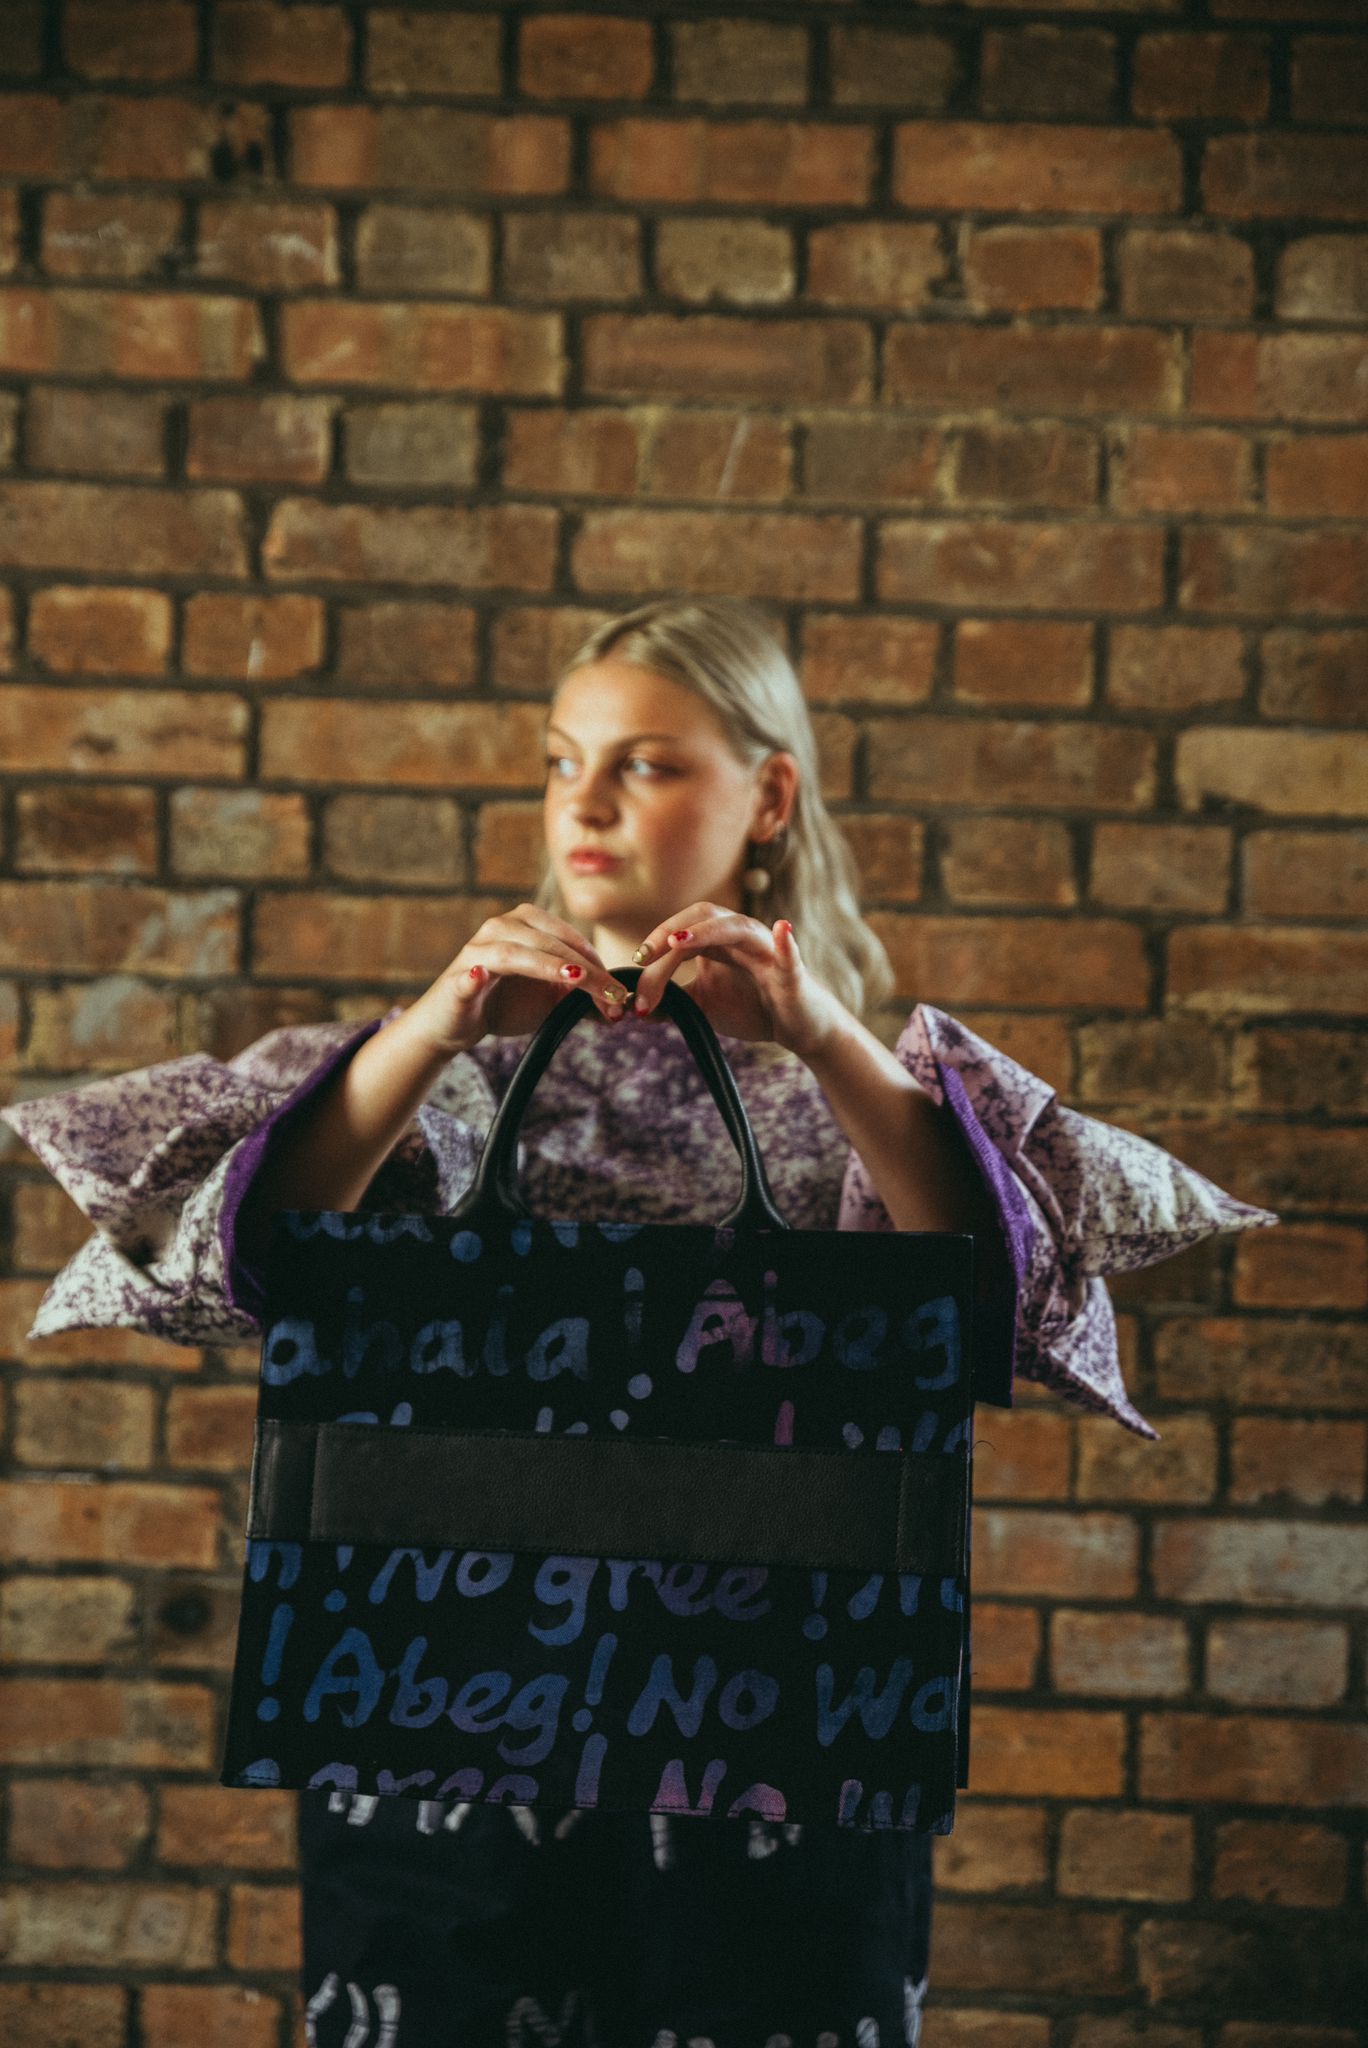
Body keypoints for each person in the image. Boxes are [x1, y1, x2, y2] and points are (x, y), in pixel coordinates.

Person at [2, 595, 1277, 2048]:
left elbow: (991, 1294)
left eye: (648, 764)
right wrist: (433, 1028)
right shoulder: (436, 1083)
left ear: (769, 794)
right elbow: (243, 1257)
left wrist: (817, 1031)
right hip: (439, 1738)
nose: (583, 804)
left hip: (788, 1745)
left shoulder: (850, 1099)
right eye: (561, 761)